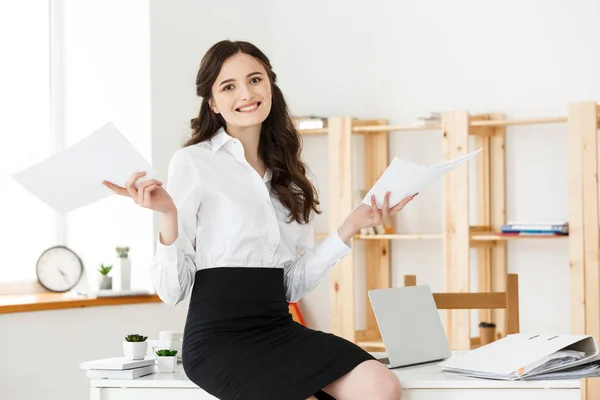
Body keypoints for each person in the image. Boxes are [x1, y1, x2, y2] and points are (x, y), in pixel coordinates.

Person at [102, 40, 416, 400]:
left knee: (381, 384)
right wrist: (168, 215)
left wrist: (350, 227)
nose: (246, 93)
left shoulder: (292, 177)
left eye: (255, 79)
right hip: (217, 341)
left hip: (278, 328)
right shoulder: (192, 162)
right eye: (228, 86)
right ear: (212, 103)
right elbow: (172, 292)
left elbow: (292, 286)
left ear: (270, 85)